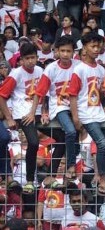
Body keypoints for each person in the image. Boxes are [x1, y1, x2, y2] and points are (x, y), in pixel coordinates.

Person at [68, 32, 105, 196]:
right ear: (85, 48)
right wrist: (75, 117)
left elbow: (100, 94)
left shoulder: (101, 69)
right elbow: (72, 95)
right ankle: (102, 178)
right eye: (93, 46)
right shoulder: (79, 69)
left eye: (98, 46)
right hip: (85, 113)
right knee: (101, 144)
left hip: (99, 112)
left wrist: (104, 91)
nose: (97, 49)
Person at [0, 42, 43, 194]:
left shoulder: (40, 70)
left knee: (63, 135)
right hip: (23, 114)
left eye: (34, 57)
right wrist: (9, 118)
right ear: (21, 60)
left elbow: (44, 92)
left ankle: (52, 175)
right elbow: (2, 96)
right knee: (33, 142)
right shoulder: (16, 74)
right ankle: (30, 180)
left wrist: (44, 111)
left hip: (37, 112)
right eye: (28, 58)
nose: (31, 61)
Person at [34, 36, 80, 177]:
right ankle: (71, 165)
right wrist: (43, 112)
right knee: (71, 132)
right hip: (59, 106)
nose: (65, 54)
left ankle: (53, 175)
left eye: (68, 51)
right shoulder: (51, 68)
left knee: (67, 140)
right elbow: (41, 92)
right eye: (63, 51)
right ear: (57, 52)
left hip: (78, 105)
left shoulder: (78, 65)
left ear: (73, 52)